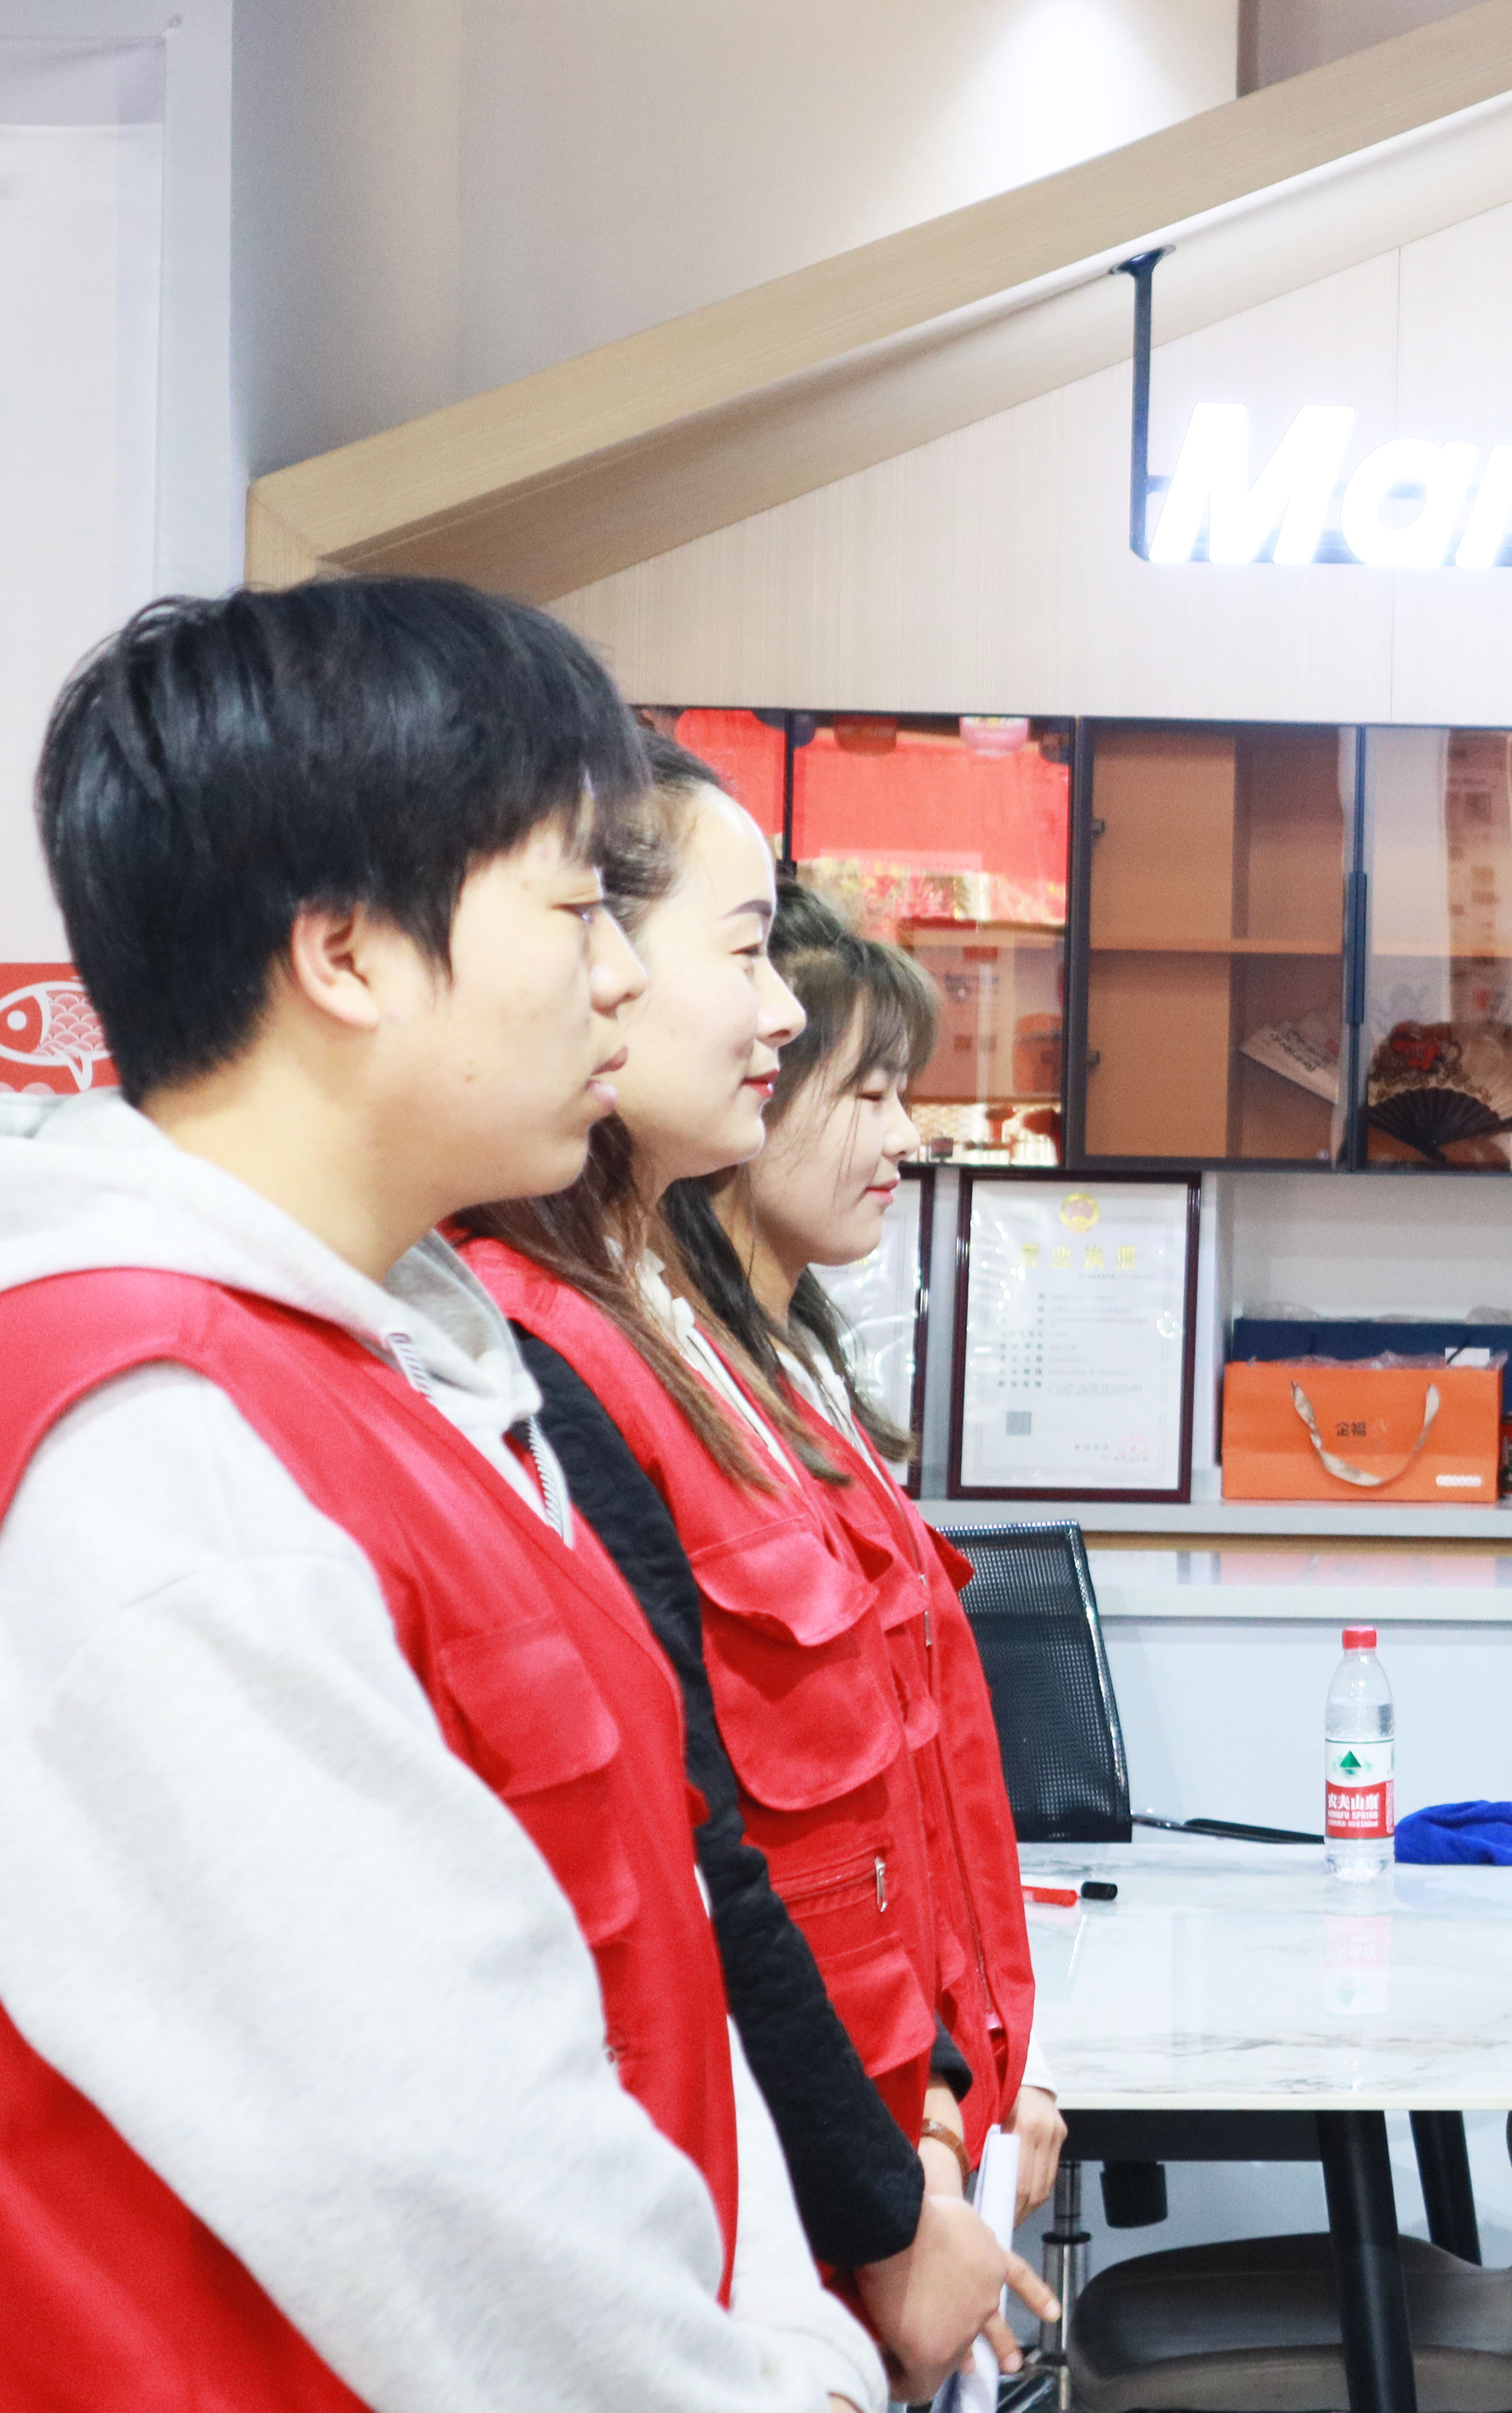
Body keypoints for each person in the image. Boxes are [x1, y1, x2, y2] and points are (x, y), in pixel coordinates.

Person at [0, 579, 878, 2410]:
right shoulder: (154, 1446)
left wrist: (782, 2319)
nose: (619, 976)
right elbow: (429, 2161)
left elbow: (642, 1936)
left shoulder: (406, 1363)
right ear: (346, 954)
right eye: (574, 908)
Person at [459, 736, 1045, 2387]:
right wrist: (890, 2194)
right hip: (781, 2202)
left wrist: (952, 2100)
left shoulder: (671, 1330)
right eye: (742, 950)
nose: (779, 1010)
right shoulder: (544, 1349)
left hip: (874, 2156)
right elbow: (697, 1852)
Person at [660, 875, 1062, 2210]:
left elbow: (918, 1798)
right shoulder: (658, 1381)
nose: (906, 1135)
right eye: (868, 1093)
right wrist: (930, 2112)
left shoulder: (797, 1370)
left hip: (921, 2101)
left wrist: (994, 2060)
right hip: (840, 2134)